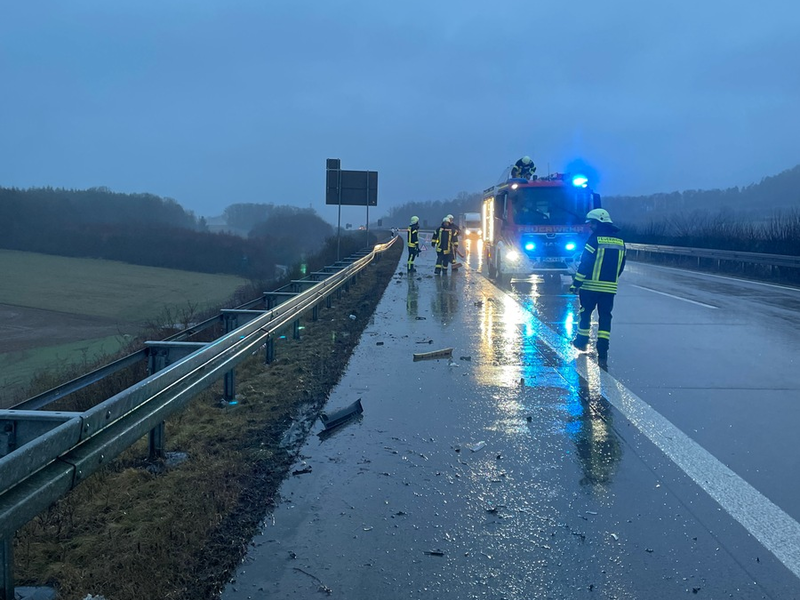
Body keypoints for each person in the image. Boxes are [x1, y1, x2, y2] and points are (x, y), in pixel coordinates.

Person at [570, 208, 626, 365]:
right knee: (605, 317)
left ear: (599, 223)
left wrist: (576, 284)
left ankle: (581, 341)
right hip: (609, 289)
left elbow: (585, 264)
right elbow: (621, 266)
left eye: (592, 223)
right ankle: (603, 348)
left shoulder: (594, 240)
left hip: (590, 287)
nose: (591, 227)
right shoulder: (620, 242)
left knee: (585, 313)